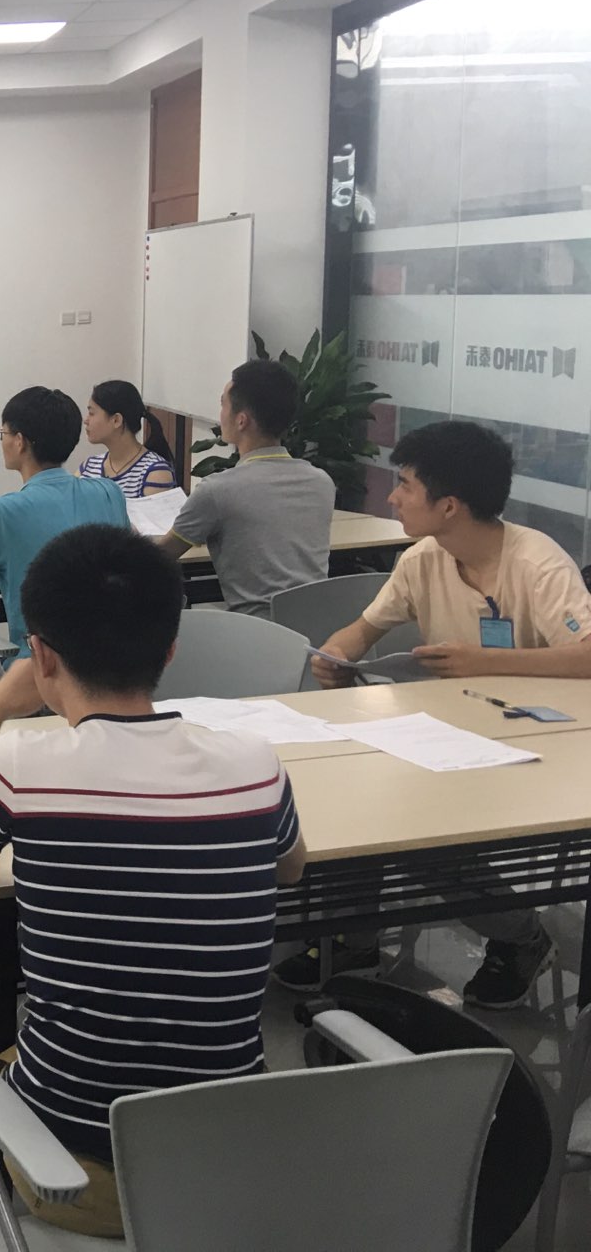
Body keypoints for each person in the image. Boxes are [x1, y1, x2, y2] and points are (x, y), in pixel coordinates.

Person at [0, 523, 306, 1238]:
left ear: (40, 656)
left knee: (8, 1058)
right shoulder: (257, 765)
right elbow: (291, 868)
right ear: (170, 649)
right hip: (231, 1155)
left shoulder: (20, 766)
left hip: (78, 1173)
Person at [299, 419, 589, 1008]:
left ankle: (521, 937)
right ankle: (355, 938)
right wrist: (336, 654)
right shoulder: (423, 559)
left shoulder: (538, 564)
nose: (392, 497)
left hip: (543, 753)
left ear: (449, 505)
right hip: (457, 735)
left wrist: (483, 662)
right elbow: (363, 629)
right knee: (360, 795)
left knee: (415, 828)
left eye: (405, 485)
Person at [0, 386, 126, 658]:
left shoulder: (6, 512)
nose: (2, 441)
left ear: (20, 441)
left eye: (3, 433)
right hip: (110, 660)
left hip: (38, 666)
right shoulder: (109, 493)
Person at [157, 359, 333, 617]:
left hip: (255, 632)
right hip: (317, 629)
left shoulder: (218, 490)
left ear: (241, 421)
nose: (220, 413)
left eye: (223, 404)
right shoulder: (322, 482)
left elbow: (159, 557)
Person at [78, 379, 176, 498]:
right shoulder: (88, 467)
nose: (86, 420)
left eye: (92, 413)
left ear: (116, 420)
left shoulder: (155, 472)